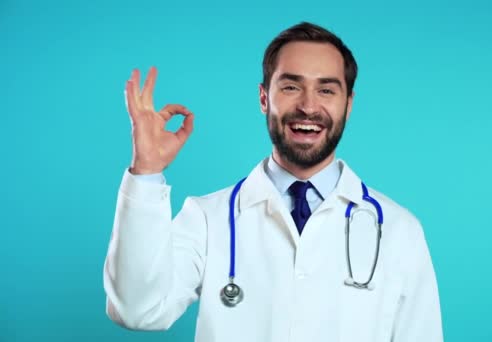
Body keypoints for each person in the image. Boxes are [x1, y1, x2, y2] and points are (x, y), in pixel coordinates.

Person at [103, 22, 443, 341]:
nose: (309, 106)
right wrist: (146, 172)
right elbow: (136, 310)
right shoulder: (207, 218)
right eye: (291, 87)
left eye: (326, 90)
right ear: (264, 98)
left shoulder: (399, 230)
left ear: (348, 105)